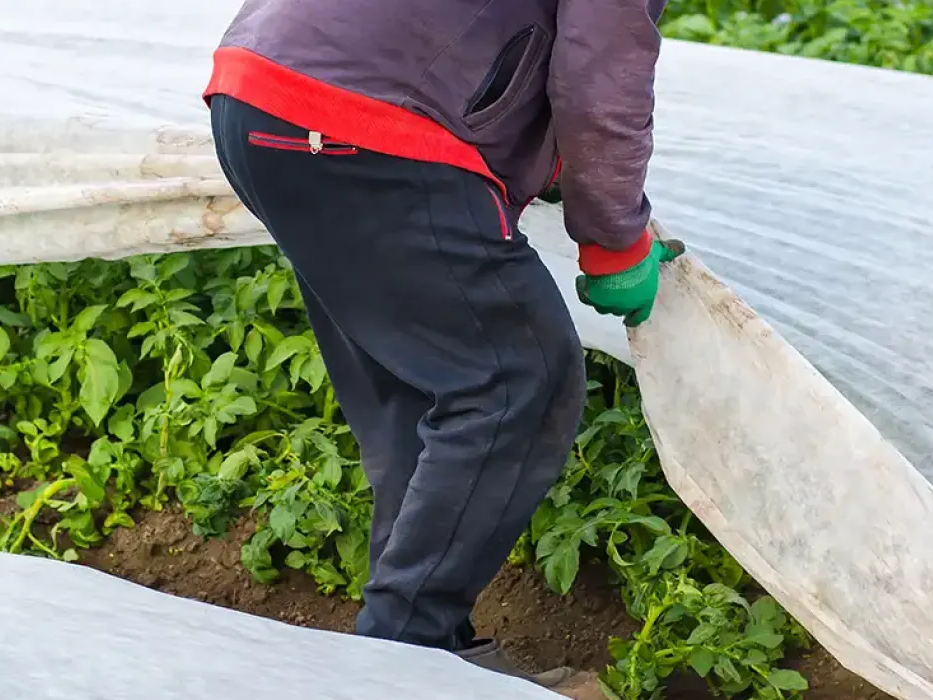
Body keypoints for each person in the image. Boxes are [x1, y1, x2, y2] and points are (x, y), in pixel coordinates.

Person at [204, 0, 677, 688]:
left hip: (260, 93)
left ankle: (433, 658)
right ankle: (403, 661)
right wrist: (615, 239)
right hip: (367, 124)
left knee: (417, 396)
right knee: (520, 377)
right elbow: (601, 67)